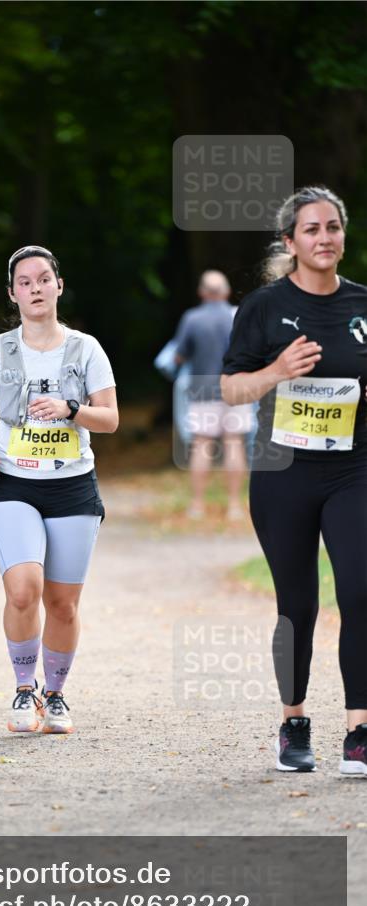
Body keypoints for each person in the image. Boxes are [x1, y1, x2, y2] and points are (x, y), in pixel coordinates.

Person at [221, 185, 367, 776]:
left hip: (354, 469)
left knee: (360, 592)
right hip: (283, 473)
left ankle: (359, 732)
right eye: (312, 229)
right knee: (297, 605)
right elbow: (231, 389)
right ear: (290, 241)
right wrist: (277, 370)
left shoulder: (363, 305)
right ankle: (294, 723)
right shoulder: (263, 307)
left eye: (333, 227)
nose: (325, 237)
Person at [0, 245, 118, 734]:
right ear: (13, 294)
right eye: (24, 282)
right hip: (11, 484)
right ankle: (24, 689)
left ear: (58, 286)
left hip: (72, 487)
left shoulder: (86, 349)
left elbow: (110, 419)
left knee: (63, 604)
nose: (36, 289)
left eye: (44, 279)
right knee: (24, 590)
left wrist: (72, 409)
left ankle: (56, 695)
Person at [175, 270, 253, 520]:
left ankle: (197, 505)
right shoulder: (238, 315)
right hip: (236, 388)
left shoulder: (192, 318)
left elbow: (179, 356)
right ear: (226, 292)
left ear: (202, 292)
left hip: (203, 389)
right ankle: (234, 506)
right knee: (234, 443)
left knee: (202, 445)